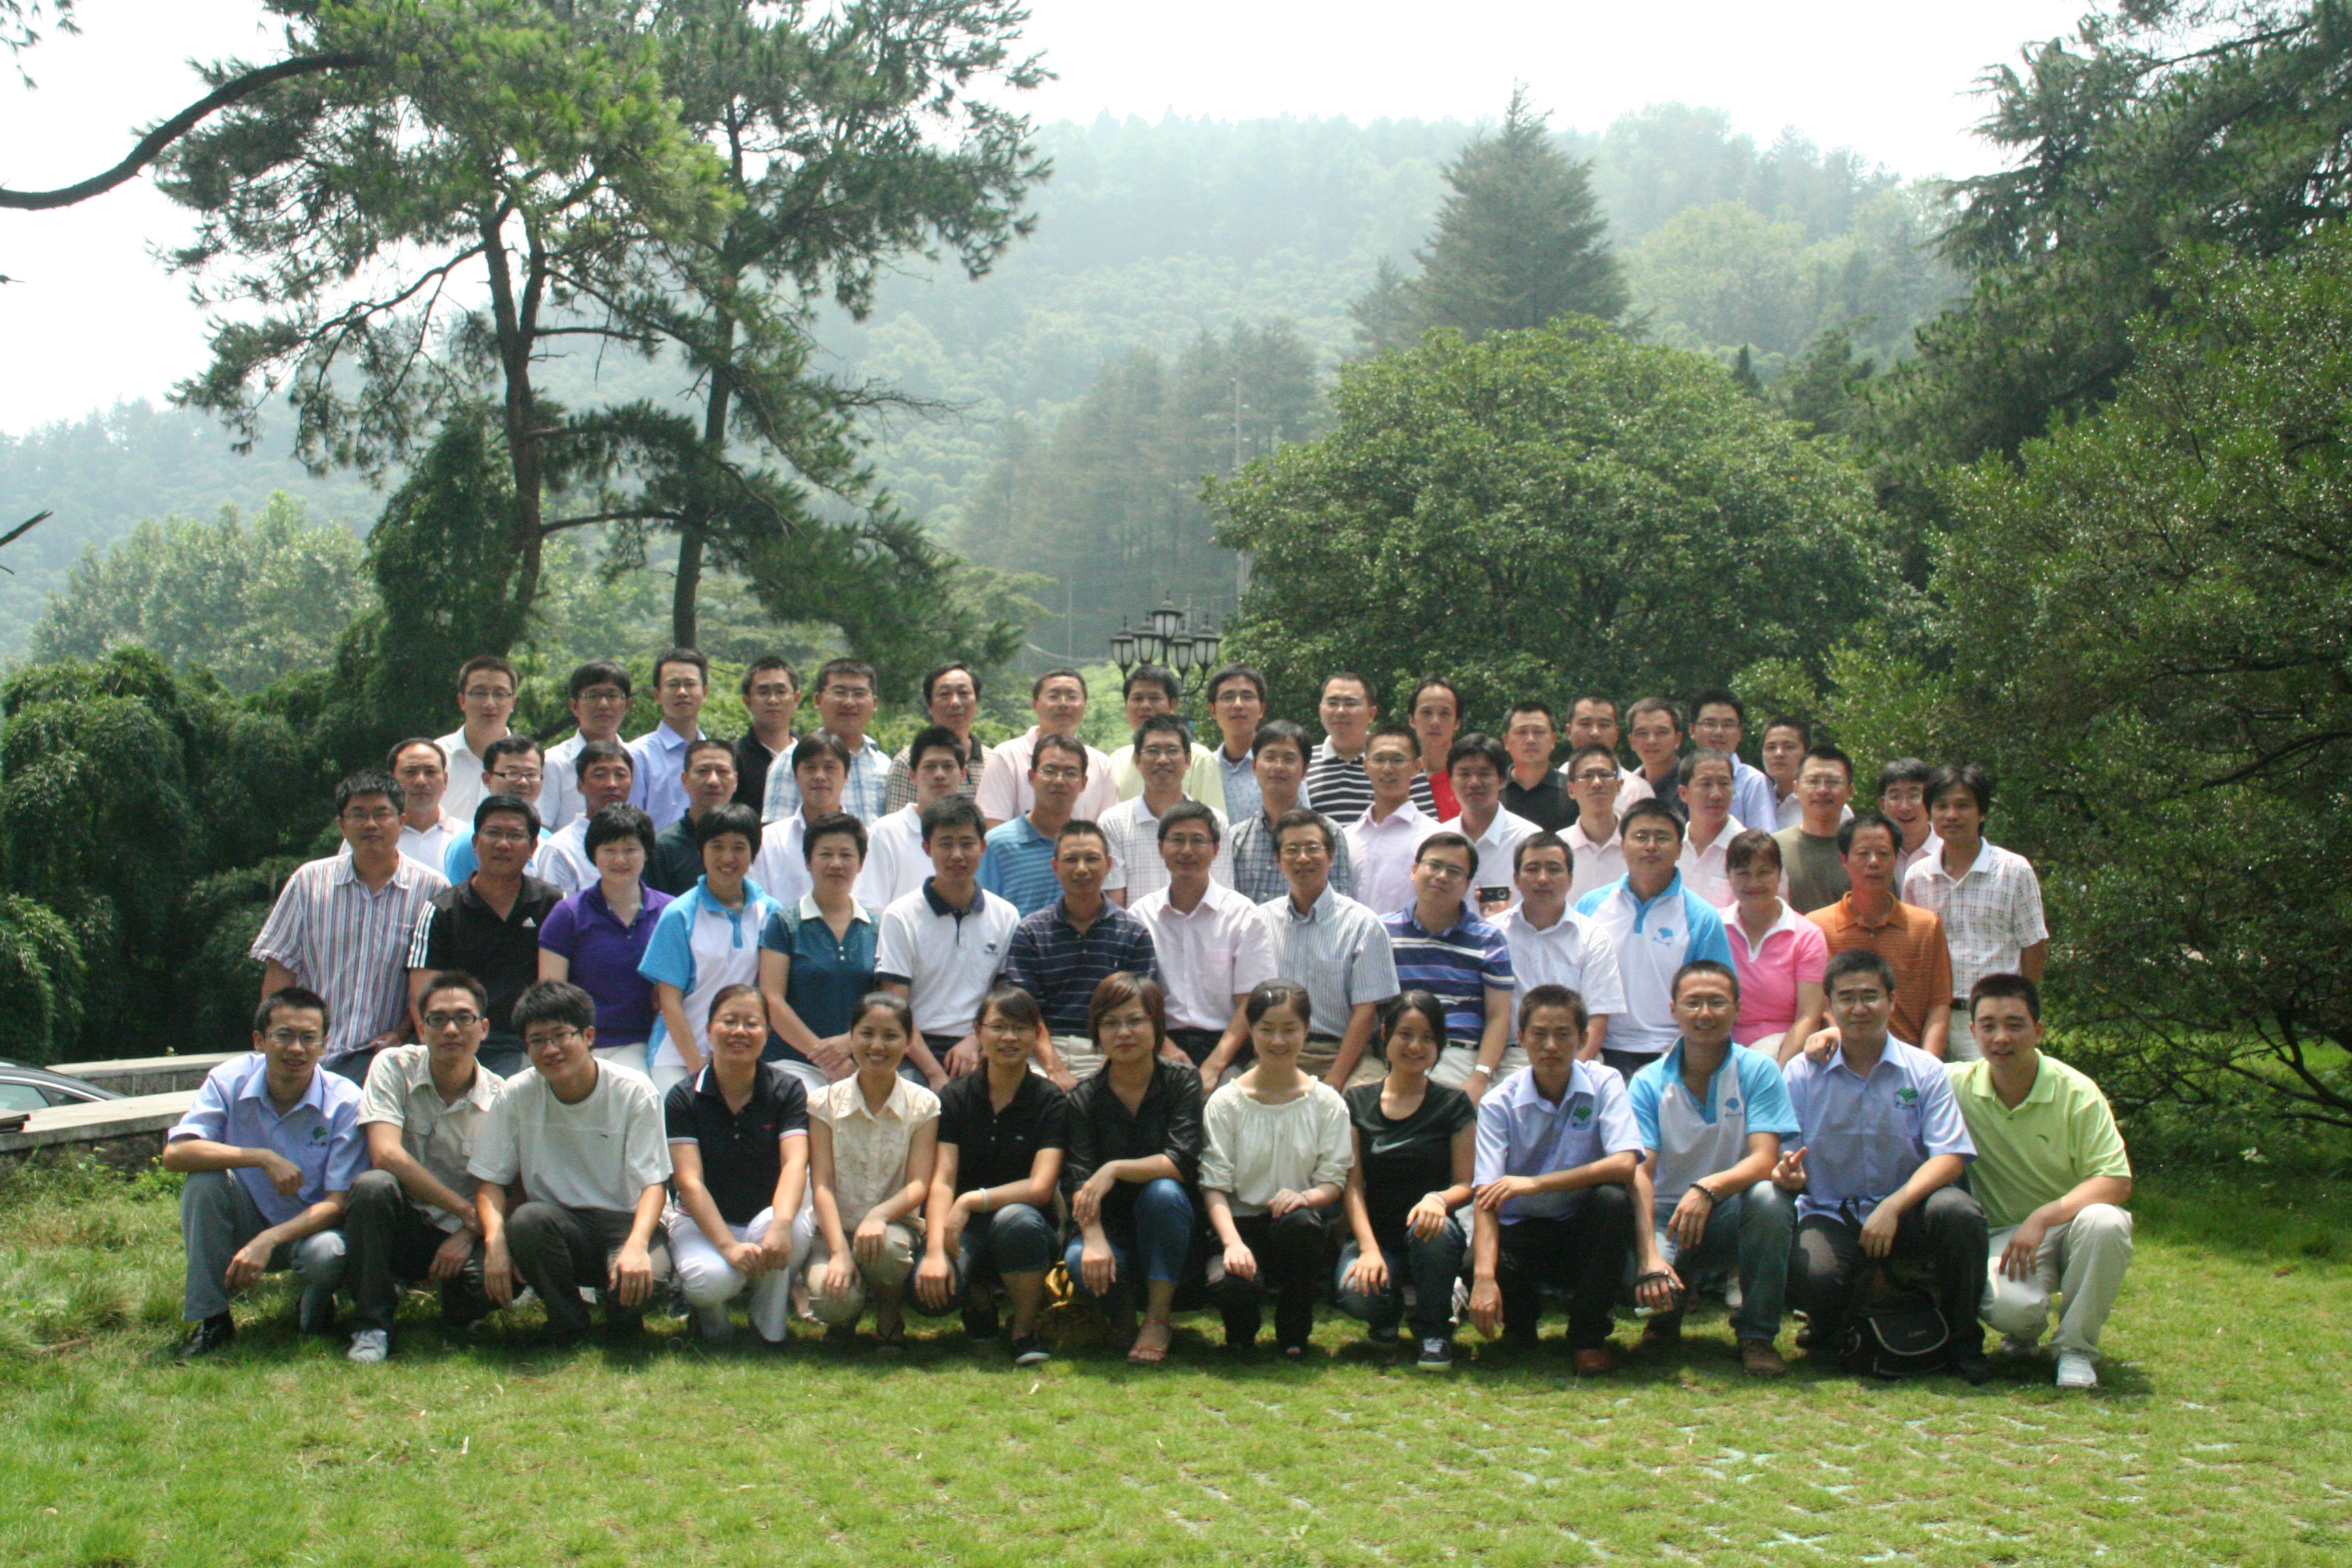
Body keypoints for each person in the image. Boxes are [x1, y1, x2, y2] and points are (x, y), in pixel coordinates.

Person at [1776, 950, 1989, 1382]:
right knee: (1812, 1275)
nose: (1859, 1008)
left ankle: (1963, 1342)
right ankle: (1839, 1329)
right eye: (1846, 998)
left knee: (1960, 1213)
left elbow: (1950, 1156)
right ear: (1829, 1006)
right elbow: (1783, 1151)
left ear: (1892, 1000)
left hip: (1907, 1210)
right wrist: (1787, 1173)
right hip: (1831, 1211)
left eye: (1870, 996)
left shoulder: (1924, 1070)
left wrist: (1894, 1205)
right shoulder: (1802, 1073)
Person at [1949, 974, 2134, 1390]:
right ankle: (2024, 1333)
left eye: (2015, 1025)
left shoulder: (2077, 1092)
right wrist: (1832, 1032)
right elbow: (1895, 1070)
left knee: (2107, 1222)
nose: (2001, 1038)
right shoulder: (1954, 1085)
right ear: (1973, 1031)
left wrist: (2044, 1217)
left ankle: (2076, 1349)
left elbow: (2115, 1181)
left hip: (2070, 1227)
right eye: (1989, 1026)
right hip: (2004, 1236)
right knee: (2011, 1311)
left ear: (2038, 1031)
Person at [470, 981, 673, 1345]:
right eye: (537, 1041)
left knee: (644, 1282)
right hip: (560, 1226)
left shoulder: (634, 1090)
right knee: (527, 1221)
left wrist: (637, 1245)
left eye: (561, 1036)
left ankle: (621, 1318)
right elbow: (490, 1181)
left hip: (626, 1222)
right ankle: (566, 1319)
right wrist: (496, 1242)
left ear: (588, 1036)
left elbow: (654, 1184)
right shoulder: (516, 1093)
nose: (550, 1050)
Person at [164, 987, 361, 1360]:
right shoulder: (229, 1080)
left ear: (325, 1045)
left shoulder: (346, 1101)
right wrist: (260, 1157)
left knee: (329, 1255)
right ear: (260, 1040)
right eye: (284, 1036)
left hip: (309, 1230)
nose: (297, 1049)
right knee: (203, 1183)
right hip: (245, 1217)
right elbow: (176, 1154)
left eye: (309, 1038)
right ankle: (212, 1319)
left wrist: (269, 1239)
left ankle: (317, 1300)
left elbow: (338, 1203)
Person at [1624, 962, 1799, 1377]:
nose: (1705, 1013)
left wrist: (1707, 1189)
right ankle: (1664, 1318)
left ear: (1738, 1008)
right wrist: (1651, 1255)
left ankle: (1756, 1335)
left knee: (1770, 1199)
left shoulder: (1758, 1070)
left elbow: (1764, 1158)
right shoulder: (1647, 1081)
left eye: (1717, 1002)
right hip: (1664, 1217)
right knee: (1635, 1278)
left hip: (1726, 1214)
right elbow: (1641, 1172)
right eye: (1693, 1003)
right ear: (1673, 1010)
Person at [1464, 985, 1639, 1373]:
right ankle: (1520, 1326)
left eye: (1563, 1034)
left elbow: (1626, 1163)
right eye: (1539, 1034)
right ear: (1521, 1037)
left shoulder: (1605, 1082)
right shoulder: (1498, 1102)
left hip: (1579, 1226)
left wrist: (1538, 1183)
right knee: (1475, 1259)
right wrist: (1483, 1278)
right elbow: (1486, 1196)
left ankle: (1588, 1338)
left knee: (1612, 1201)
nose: (1550, 1046)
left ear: (1583, 1038)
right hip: (1521, 1229)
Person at [345, 971, 508, 1362]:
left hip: (463, 1232)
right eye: (438, 1019)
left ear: (484, 1028)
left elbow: (506, 1185)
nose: (451, 1029)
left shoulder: (502, 1096)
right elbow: (386, 1153)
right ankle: (371, 1325)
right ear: (421, 1030)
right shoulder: (393, 1066)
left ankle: (458, 1310)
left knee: (481, 1291)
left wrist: (468, 1232)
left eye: (464, 1018)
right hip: (407, 1220)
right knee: (372, 1185)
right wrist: (462, 1209)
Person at [252, 770, 450, 1084]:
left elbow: (434, 985)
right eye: (358, 814)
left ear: (401, 821)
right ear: (341, 825)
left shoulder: (432, 889)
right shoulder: (308, 882)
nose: (371, 824)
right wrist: (275, 1042)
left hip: (386, 1058)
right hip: (311, 1056)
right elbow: (280, 971)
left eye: (381, 814)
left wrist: (402, 1034)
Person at [915, 987, 1071, 1365]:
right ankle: (978, 1299)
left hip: (1026, 1225)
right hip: (962, 1228)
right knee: (927, 1295)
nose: (1009, 1038)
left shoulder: (1050, 1100)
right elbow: (943, 1179)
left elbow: (1041, 1187)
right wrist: (934, 1250)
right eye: (998, 1027)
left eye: (1020, 1028)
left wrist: (972, 1200)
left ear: (1037, 1035)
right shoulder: (955, 1096)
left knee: (1016, 1220)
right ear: (978, 1032)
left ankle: (1025, 1329)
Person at [1200, 981, 1354, 1357]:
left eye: (1289, 1029)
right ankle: (1241, 1330)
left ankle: (1294, 1330)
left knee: (1301, 1226)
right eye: (1267, 1029)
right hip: (1240, 1225)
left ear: (1307, 1030)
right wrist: (1232, 1243)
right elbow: (1214, 1185)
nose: (1278, 1041)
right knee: (1232, 1283)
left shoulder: (1327, 1103)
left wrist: (1305, 1198)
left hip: (1296, 1223)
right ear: (1251, 1031)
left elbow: (1333, 1180)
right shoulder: (1225, 1103)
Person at [1063, 975, 1207, 1363]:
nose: (1123, 1033)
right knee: (1079, 1260)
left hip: (1170, 1228)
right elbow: (1079, 1179)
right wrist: (1093, 1238)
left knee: (1163, 1191)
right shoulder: (1083, 1098)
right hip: (1110, 1225)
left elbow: (1181, 1161)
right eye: (1110, 1023)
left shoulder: (1182, 1081)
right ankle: (1122, 1316)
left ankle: (1158, 1318)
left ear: (1157, 1026)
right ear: (1096, 1032)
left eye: (1135, 1020)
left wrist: (1115, 1168)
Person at [1335, 992, 1475, 1369]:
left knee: (1432, 1230)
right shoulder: (1357, 1101)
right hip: (1378, 1238)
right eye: (1406, 1034)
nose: (1416, 1046)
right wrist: (1368, 1250)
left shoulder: (1454, 1104)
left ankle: (1434, 1331)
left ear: (1440, 1044)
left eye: (1428, 1038)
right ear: (1385, 1035)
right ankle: (1390, 1313)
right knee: (1357, 1293)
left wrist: (1438, 1200)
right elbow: (1353, 1186)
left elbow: (1466, 1185)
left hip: (1432, 1234)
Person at [666, 984, 811, 1344]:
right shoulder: (683, 1097)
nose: (740, 1032)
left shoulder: (788, 1090)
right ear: (709, 1029)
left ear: (768, 1032)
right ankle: (713, 1327)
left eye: (752, 1023)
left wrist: (781, 1224)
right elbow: (689, 1182)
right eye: (729, 1021)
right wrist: (727, 1245)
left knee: (788, 1230)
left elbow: (795, 1163)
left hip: (764, 1218)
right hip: (700, 1223)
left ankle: (768, 1330)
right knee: (710, 1282)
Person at [800, 992, 941, 1343]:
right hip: (834, 1230)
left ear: (908, 1042)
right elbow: (822, 1184)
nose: (877, 1045)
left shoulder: (924, 1104)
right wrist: (838, 1252)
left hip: (893, 1229)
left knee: (888, 1251)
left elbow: (919, 1184)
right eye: (867, 1034)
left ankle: (889, 1314)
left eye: (891, 1036)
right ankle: (845, 1315)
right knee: (831, 1303)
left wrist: (879, 1215)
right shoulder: (823, 1102)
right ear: (851, 1037)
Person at [1573, 799, 1735, 1079]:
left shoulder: (1701, 918)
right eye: (1641, 837)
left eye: (1662, 837)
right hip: (1599, 1046)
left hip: (1674, 1051)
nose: (1651, 846)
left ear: (1679, 848)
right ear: (1622, 846)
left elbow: (1720, 993)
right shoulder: (1591, 906)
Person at [406, 794, 562, 1079]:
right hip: (460, 1040)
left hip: (529, 1041)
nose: (503, 844)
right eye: (493, 833)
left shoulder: (552, 904)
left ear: (532, 847)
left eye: (515, 835)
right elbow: (422, 996)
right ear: (475, 842)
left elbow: (560, 988)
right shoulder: (442, 911)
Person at [639, 804, 786, 1097]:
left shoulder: (771, 912)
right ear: (701, 851)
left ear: (753, 853)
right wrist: (699, 1071)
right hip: (678, 1056)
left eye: (739, 847)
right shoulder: (679, 914)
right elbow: (670, 1002)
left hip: (743, 1054)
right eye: (717, 846)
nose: (727, 857)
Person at [1906, 764, 2049, 1064]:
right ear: (1929, 813)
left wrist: (2020, 1008)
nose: (1951, 815)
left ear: (1982, 813)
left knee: (1991, 1092)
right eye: (1941, 806)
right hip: (1934, 1017)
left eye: (1963, 806)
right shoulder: (1918, 877)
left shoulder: (2013, 870)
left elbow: (2035, 947)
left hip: (1994, 1020)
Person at [1248, 807, 1400, 1088]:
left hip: (1345, 1054)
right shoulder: (1260, 921)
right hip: (1276, 1050)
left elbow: (1365, 1014)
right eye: (1292, 850)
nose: (1302, 858)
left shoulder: (1363, 924)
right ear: (1279, 861)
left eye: (1312, 848)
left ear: (1330, 856)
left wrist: (1334, 1082)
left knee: (1361, 1099)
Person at [875, 796, 1017, 1087]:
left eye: (967, 844)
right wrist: (934, 1074)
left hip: (981, 1043)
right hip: (914, 1046)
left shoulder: (1005, 916)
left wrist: (975, 1040)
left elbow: (1002, 997)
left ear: (983, 846)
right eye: (946, 844)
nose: (957, 855)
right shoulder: (900, 916)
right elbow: (895, 1008)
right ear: (927, 848)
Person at [1128, 802, 1278, 1072]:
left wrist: (1213, 1066)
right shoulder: (1140, 917)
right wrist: (1164, 1047)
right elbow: (1131, 998)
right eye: (1177, 840)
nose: (1187, 850)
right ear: (1161, 848)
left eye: (1198, 840)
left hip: (1226, 1045)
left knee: (1230, 1093)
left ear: (1216, 849)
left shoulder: (1243, 916)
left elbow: (1250, 1003)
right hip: (1157, 1043)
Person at [1000, 820, 1154, 1081]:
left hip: (1112, 1049)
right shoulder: (1031, 932)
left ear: (1108, 865)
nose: (1081, 869)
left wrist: (1109, 1071)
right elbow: (1025, 1012)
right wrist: (1056, 1069)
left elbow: (1144, 1010)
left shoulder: (1133, 933)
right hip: (1044, 1050)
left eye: (1091, 859)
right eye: (1071, 860)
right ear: (1055, 867)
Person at [537, 803, 671, 1078]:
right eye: (609, 850)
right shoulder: (568, 915)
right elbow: (552, 996)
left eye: (630, 849)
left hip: (658, 1042)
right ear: (593, 855)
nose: (619, 860)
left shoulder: (670, 913)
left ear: (647, 852)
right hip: (589, 1044)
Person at [1808, 811, 1955, 1058]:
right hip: (1840, 1057)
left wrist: (1927, 1065)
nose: (1874, 862)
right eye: (1863, 854)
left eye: (1884, 854)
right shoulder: (1817, 927)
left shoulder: (1925, 926)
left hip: (1910, 1058)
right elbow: (1815, 1003)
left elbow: (1938, 1005)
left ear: (1897, 858)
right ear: (1844, 859)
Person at [1381, 833, 1514, 1098]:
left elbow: (1499, 1016)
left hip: (1458, 1056)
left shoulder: (1489, 938)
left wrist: (1479, 1077)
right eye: (1434, 865)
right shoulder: (1382, 931)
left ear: (1467, 884)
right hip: (1395, 1052)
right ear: (1414, 870)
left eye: (1454, 871)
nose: (1442, 876)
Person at [759, 811, 880, 1098]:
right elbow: (772, 1000)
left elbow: (886, 1002)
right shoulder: (784, 924)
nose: (836, 864)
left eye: (846, 855)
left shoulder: (877, 928)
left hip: (860, 1062)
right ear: (808, 861)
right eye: (826, 854)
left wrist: (849, 1044)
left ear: (861, 863)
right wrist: (825, 1057)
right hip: (792, 1063)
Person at [1494, 833, 1623, 1071]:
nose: (1543, 878)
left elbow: (1597, 1021)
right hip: (1511, 1058)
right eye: (1532, 869)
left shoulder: (1593, 938)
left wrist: (1572, 1075)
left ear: (1570, 879)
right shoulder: (1494, 934)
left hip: (1575, 1058)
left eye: (1554, 869)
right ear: (1516, 879)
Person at [1717, 830, 1828, 1062]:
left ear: (1780, 874)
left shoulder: (1807, 936)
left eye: (1764, 872)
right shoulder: (1713, 927)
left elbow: (1808, 1015)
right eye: (1743, 873)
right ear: (1729, 876)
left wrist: (1779, 1071)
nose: (1754, 883)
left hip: (1782, 1049)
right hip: (1720, 1046)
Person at [1103, 713, 1234, 904]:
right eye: (1153, 751)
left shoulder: (1215, 821)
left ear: (1188, 760)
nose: (1162, 760)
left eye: (1172, 751)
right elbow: (1114, 906)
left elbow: (1223, 897)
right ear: (1137, 761)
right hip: (1136, 925)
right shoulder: (1113, 823)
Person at [1229, 719, 1357, 904]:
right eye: (1270, 758)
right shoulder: (1236, 839)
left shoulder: (1329, 832)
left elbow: (1340, 906)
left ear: (1304, 771)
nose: (1278, 767)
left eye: (1289, 759)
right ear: (1254, 766)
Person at [976, 667, 1117, 827]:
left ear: (1084, 705)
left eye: (1072, 697)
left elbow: (1107, 829)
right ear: (1035, 704)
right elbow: (993, 824)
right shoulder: (1007, 756)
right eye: (1053, 696)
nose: (1063, 704)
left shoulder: (1102, 764)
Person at [763, 657, 892, 824]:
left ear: (874, 703)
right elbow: (777, 832)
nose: (849, 702)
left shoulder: (884, 764)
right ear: (818, 700)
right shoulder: (791, 761)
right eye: (840, 692)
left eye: (859, 694)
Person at [977, 732, 1091, 916]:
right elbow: (982, 913)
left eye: (1070, 773)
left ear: (1084, 783)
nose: (1059, 780)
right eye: (1050, 771)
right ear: (1031, 777)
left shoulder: (1088, 846)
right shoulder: (997, 845)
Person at [862, 726, 970, 909]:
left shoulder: (972, 835)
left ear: (963, 774)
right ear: (912, 775)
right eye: (930, 767)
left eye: (948, 766)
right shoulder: (887, 832)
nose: (939, 775)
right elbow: (870, 905)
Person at [1346, 721, 1441, 917]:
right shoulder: (1347, 838)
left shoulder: (1434, 838)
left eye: (1398, 760)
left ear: (1416, 767)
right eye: (1379, 759)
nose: (1388, 769)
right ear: (1366, 766)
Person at [1439, 733, 1539, 915]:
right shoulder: (1438, 840)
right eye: (1464, 774)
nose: (1474, 783)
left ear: (1502, 780)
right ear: (1451, 781)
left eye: (1484, 774)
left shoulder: (1529, 841)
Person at [749, 734, 853, 909]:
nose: (820, 776)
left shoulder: (868, 839)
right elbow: (756, 905)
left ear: (846, 777)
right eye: (810, 768)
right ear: (796, 777)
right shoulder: (768, 840)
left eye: (829, 767)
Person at [1107, 664, 1227, 810]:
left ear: (1172, 705)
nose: (1145, 706)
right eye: (1137, 698)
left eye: (1154, 698)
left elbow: (1213, 818)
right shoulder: (1116, 761)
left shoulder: (1199, 759)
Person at [442, 736, 553, 885]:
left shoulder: (547, 838)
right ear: (487, 779)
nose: (523, 782)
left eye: (531, 774)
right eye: (512, 773)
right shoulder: (469, 843)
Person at [882, 662, 989, 811]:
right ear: (929, 705)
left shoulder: (994, 761)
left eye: (963, 693)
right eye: (945, 694)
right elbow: (899, 821)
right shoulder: (908, 760)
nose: (955, 703)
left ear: (976, 701)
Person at [542, 659, 633, 832]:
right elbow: (541, 830)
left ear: (627, 704)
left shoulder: (638, 758)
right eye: (592, 696)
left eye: (612, 695)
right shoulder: (554, 763)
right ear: (574, 705)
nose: (603, 704)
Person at [537, 740, 635, 896]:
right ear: (580, 785)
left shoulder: (642, 841)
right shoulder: (562, 848)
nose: (611, 784)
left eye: (620, 775)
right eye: (600, 776)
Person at [628, 647, 710, 831]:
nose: (682, 692)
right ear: (657, 695)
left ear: (705, 692)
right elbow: (630, 824)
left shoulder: (718, 756)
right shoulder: (638, 756)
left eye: (690, 684)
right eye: (673, 685)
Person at [647, 739, 740, 896]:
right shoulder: (662, 848)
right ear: (685, 780)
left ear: (736, 780)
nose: (713, 781)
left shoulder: (751, 842)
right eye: (703, 771)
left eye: (723, 771)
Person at [1772, 745, 1856, 914]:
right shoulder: (1773, 847)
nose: (1823, 790)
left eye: (1833, 782)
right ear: (1796, 789)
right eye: (1813, 781)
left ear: (1850, 791)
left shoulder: (1864, 851)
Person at [436, 655, 518, 822]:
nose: (490, 703)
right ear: (462, 701)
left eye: (500, 694)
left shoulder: (530, 763)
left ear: (513, 703)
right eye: (479, 693)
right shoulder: (437, 757)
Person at [1686, 689, 1780, 833]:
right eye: (1710, 724)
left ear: (1739, 733)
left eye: (1728, 725)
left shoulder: (1753, 782)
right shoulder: (1683, 776)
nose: (1719, 732)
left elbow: (1764, 838)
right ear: (1692, 730)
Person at [1305, 671, 1382, 826]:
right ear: (1320, 709)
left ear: (1371, 714)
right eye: (1332, 703)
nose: (1340, 711)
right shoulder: (1302, 762)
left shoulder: (1395, 762)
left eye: (1350, 704)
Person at [1674, 748, 1745, 906]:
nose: (1716, 795)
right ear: (1683, 793)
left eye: (1724, 784)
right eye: (1706, 784)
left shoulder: (1748, 851)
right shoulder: (1670, 848)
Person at [731, 656, 802, 814]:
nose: (773, 700)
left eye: (781, 692)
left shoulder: (810, 755)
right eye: (763, 692)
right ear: (747, 701)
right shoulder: (732, 758)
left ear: (796, 698)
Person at [1563, 691, 1652, 815]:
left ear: (1616, 733)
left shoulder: (1638, 792)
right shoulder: (1555, 785)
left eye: (1604, 725)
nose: (1595, 733)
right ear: (1569, 731)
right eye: (1585, 724)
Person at [387, 738, 468, 871]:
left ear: (445, 780)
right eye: (410, 772)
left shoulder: (466, 838)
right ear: (391, 781)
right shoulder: (373, 836)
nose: (421, 781)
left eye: (431, 772)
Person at [1562, 742, 1629, 901]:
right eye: (1587, 776)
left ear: (1618, 786)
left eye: (1605, 774)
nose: (1597, 783)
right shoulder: (1558, 848)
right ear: (1571, 790)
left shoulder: (1638, 846)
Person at [1205, 662, 1269, 825]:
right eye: (1228, 697)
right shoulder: (1206, 769)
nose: (1238, 705)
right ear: (1212, 710)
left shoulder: (1278, 766)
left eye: (1247, 697)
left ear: (1261, 709)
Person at [1500, 702, 1573, 832]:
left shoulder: (1574, 791)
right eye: (1522, 732)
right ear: (1506, 742)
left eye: (1539, 732)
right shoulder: (1493, 791)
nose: (1531, 740)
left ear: (1553, 740)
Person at [1405, 675, 1464, 820]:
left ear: (1457, 723)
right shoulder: (1398, 778)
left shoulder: (1469, 779)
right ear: (1412, 720)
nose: (1435, 722)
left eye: (1445, 713)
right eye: (1427, 712)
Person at [1877, 757, 1938, 887]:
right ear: (1882, 805)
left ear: (1931, 800)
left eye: (1914, 796)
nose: (1905, 807)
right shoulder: (1874, 853)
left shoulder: (1948, 849)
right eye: (1895, 797)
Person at [1624, 697, 1686, 815]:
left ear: (1678, 739)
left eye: (1661, 732)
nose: (1651, 741)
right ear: (1631, 741)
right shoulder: (1623, 789)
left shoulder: (1691, 787)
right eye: (1642, 733)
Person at [1759, 715, 1810, 830]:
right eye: (1771, 748)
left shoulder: (1822, 803)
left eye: (1789, 747)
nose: (1779, 754)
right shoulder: (1757, 800)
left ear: (1806, 753)